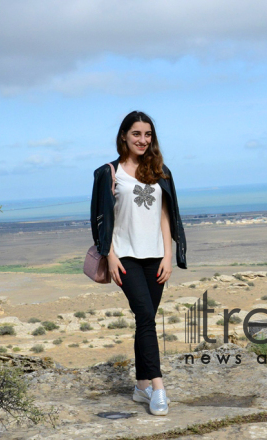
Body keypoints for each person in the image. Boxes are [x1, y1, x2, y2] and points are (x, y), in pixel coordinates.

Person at [90, 111, 187, 416]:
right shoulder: (109, 173)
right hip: (126, 256)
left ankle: (140, 385)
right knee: (145, 314)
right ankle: (158, 388)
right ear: (124, 136)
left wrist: (169, 255)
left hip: (156, 256)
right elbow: (100, 218)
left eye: (147, 135)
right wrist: (110, 255)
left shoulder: (160, 171)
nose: (142, 140)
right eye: (136, 134)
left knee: (145, 319)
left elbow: (164, 216)